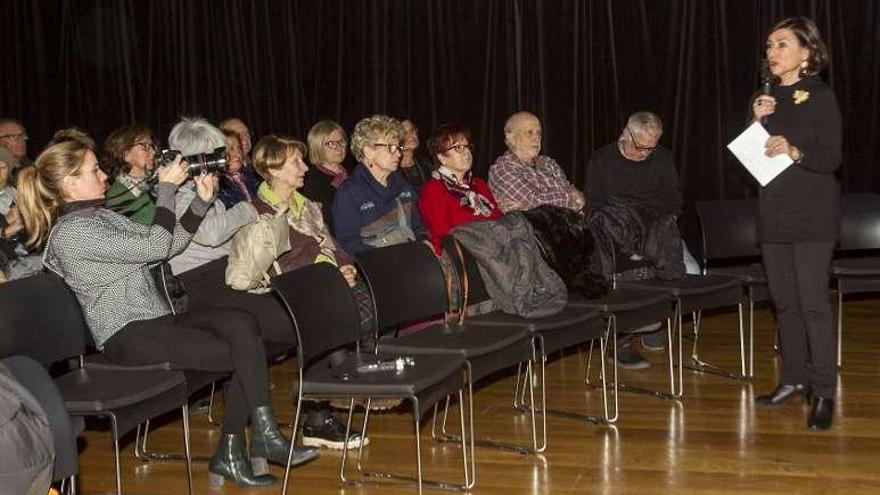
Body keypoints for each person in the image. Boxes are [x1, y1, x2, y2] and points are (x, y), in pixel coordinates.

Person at [15, 140, 319, 487]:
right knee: (246, 351)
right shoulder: (72, 234)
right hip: (127, 335)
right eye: (94, 170)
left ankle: (246, 442)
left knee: (242, 323)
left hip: (159, 320)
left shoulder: (100, 217)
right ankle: (243, 445)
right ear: (70, 184)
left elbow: (168, 245)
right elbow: (158, 245)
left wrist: (202, 202)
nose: (103, 175)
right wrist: (167, 189)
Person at [242, 134, 371, 449]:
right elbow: (283, 264)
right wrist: (331, 275)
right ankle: (326, 408)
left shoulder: (307, 205)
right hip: (288, 293)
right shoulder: (259, 212)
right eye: (295, 163)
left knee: (362, 303)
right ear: (273, 171)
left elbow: (332, 245)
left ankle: (334, 399)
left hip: (328, 284)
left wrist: (346, 265)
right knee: (325, 315)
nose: (304, 168)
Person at [750, 17, 841, 431]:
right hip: (774, 213)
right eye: (770, 45)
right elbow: (755, 163)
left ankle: (823, 391)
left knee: (813, 306)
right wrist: (756, 123)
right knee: (784, 304)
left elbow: (832, 159)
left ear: (806, 52)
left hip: (812, 215)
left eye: (782, 44)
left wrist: (794, 149)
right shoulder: (766, 99)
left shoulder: (821, 96)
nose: (772, 52)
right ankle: (793, 379)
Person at [585, 111, 685, 365]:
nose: (645, 153)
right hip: (616, 235)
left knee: (684, 269)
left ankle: (651, 319)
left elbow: (674, 202)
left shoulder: (662, 158)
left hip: (653, 230)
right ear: (625, 133)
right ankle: (620, 338)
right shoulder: (603, 159)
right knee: (624, 263)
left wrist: (651, 227)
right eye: (641, 146)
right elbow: (594, 207)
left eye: (652, 148)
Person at [166, 117, 258, 275]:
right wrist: (249, 209)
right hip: (197, 276)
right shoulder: (178, 194)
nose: (222, 162)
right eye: (215, 156)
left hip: (221, 267)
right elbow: (211, 234)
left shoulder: (201, 186)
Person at [332, 114, 429, 253]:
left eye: (398, 147)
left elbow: (418, 228)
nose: (398, 154)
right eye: (391, 147)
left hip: (412, 257)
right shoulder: (349, 192)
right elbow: (349, 243)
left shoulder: (403, 185)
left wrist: (424, 242)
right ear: (369, 151)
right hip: (378, 264)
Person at [419, 123, 502, 254]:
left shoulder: (479, 184)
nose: (467, 152)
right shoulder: (433, 190)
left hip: (493, 248)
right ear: (442, 158)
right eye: (458, 148)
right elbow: (444, 236)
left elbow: (498, 219)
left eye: (467, 147)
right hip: (463, 256)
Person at [488, 111, 584, 213]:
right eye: (529, 132)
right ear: (511, 138)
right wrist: (571, 197)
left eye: (539, 133)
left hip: (562, 225)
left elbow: (534, 203)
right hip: (528, 228)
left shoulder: (548, 163)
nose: (536, 138)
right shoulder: (502, 169)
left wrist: (532, 204)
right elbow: (532, 199)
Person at [103, 124, 158, 224]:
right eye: (144, 146)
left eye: (152, 146)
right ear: (125, 154)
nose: (153, 152)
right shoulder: (117, 197)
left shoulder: (155, 181)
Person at [301, 120, 350, 230]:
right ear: (317, 147)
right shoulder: (311, 180)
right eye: (331, 143)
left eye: (341, 141)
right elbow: (324, 218)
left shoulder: (353, 173)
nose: (339, 147)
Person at [217, 129, 260, 209]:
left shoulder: (253, 174)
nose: (238, 153)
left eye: (239, 148)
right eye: (231, 149)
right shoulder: (217, 185)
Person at [397, 119, 433, 194]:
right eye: (404, 132)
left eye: (412, 130)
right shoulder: (390, 168)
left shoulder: (426, 164)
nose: (411, 135)